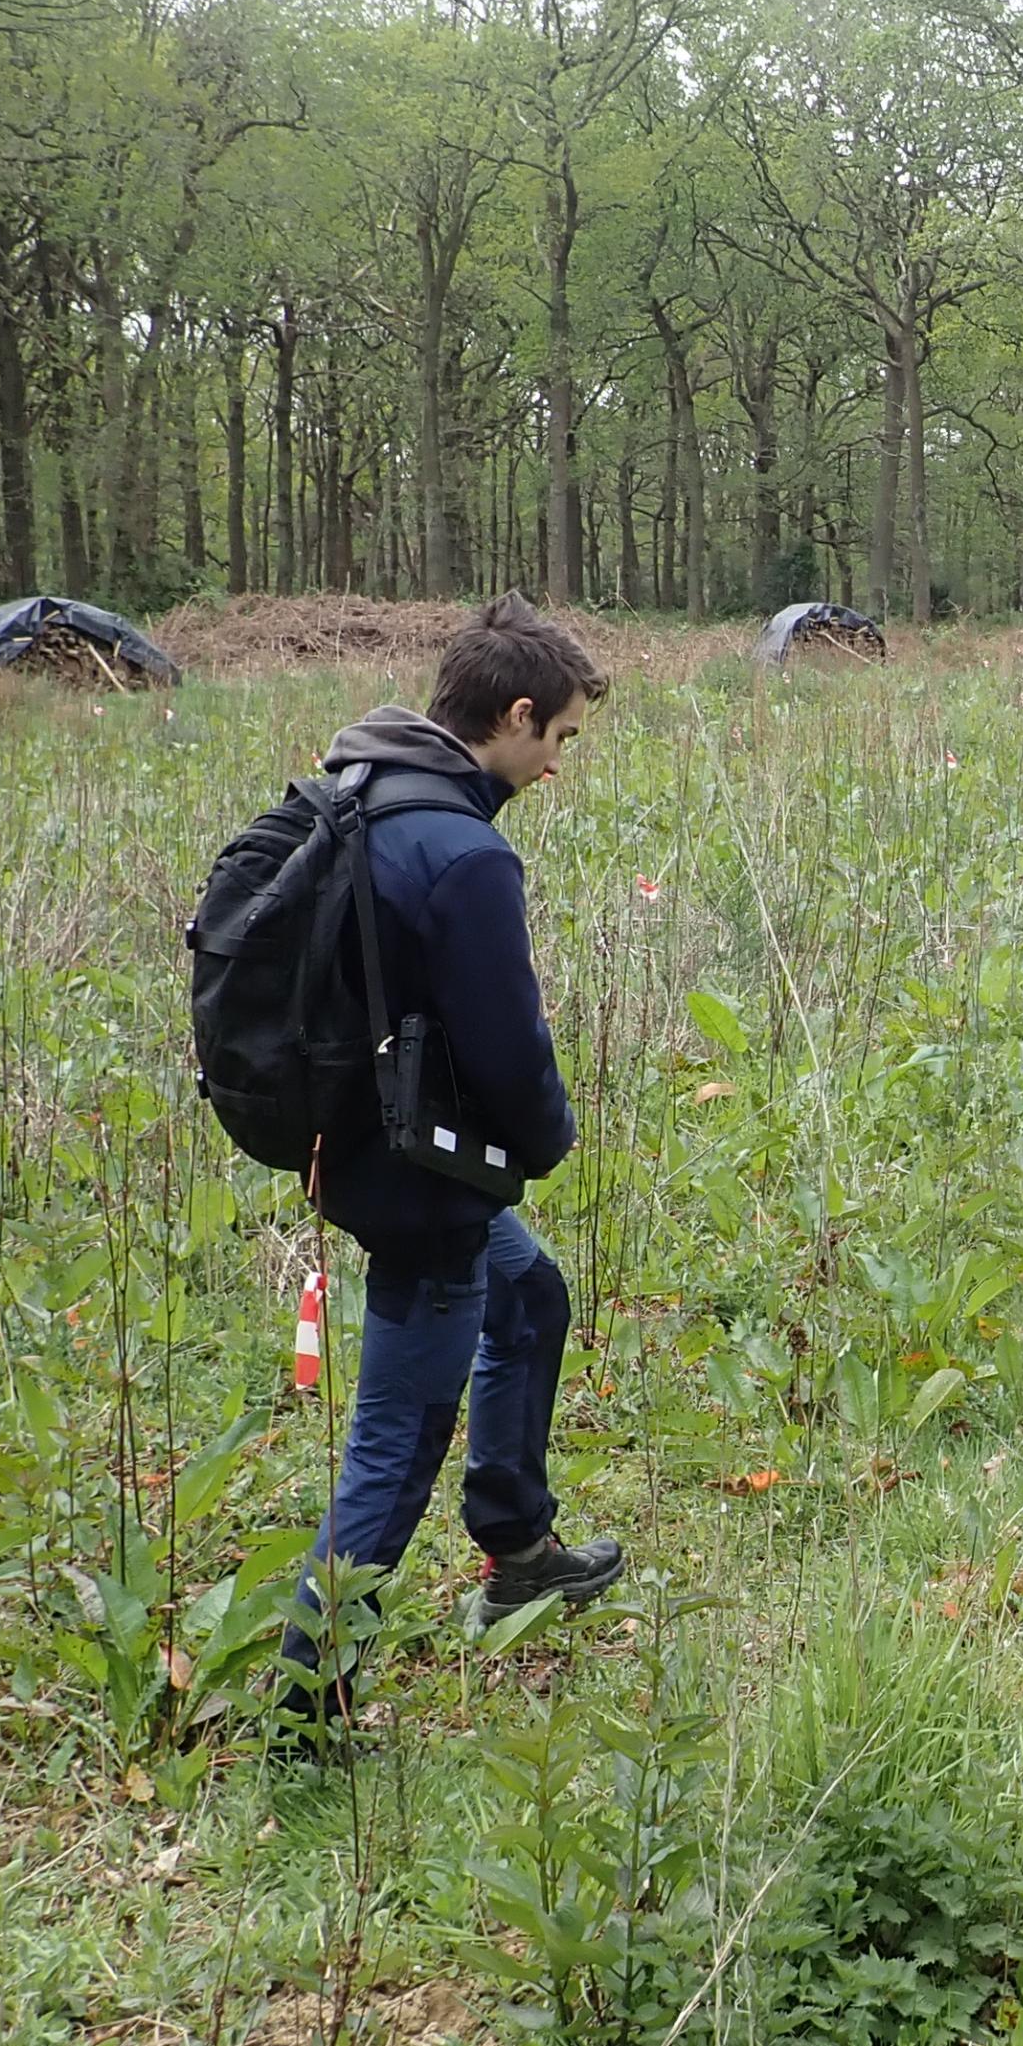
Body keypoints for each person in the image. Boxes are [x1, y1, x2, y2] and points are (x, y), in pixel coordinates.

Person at [284, 594, 623, 1703]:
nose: (558, 764)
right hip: (421, 1181)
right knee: (395, 1442)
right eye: (559, 737)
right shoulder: (465, 853)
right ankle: (306, 1701)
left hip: (358, 1138)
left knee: (529, 1297)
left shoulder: (365, 785)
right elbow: (507, 1050)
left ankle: (519, 1552)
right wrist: (548, 1138)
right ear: (515, 715)